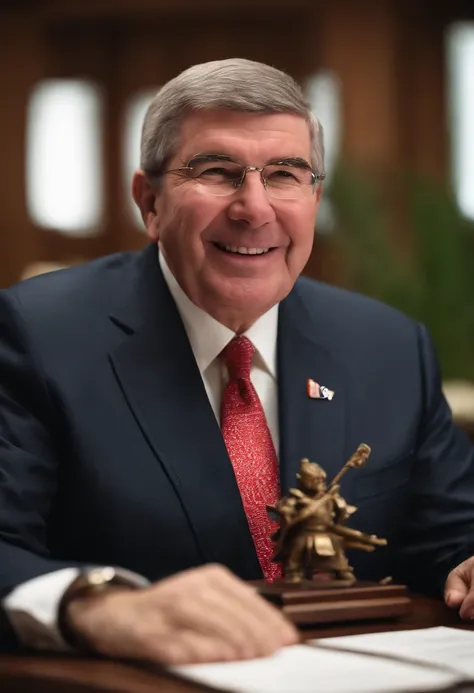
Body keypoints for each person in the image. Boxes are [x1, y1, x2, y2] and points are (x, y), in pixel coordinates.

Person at [1, 57, 474, 666]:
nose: (254, 208)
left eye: (284, 174)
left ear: (313, 196)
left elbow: (448, 531)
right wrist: (98, 604)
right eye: (218, 172)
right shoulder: (35, 333)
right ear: (149, 201)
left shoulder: (386, 345)